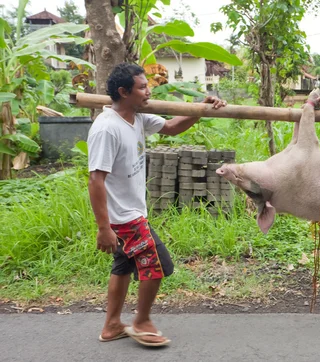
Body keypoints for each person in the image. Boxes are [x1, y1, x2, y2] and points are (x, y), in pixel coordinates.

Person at [88, 63, 227, 346]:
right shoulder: (106, 128)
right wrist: (103, 228)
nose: (149, 91)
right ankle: (141, 322)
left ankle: (112, 325)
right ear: (124, 92)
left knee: (124, 265)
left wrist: (201, 109)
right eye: (142, 87)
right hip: (124, 217)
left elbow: (173, 128)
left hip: (133, 211)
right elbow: (95, 180)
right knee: (160, 264)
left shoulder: (137, 117)